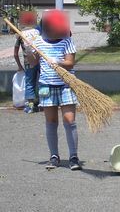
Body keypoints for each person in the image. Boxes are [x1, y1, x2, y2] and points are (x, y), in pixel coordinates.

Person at [25, 10, 81, 170]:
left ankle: (73, 157)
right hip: (45, 86)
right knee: (50, 121)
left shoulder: (67, 41)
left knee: (70, 121)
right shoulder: (38, 41)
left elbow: (70, 63)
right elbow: (33, 63)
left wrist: (58, 61)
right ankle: (54, 156)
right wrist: (30, 49)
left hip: (66, 85)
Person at [14, 11, 40, 113]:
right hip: (41, 60)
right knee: (43, 82)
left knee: (29, 83)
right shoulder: (39, 32)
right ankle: (45, 102)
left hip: (28, 62)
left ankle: (31, 106)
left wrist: (19, 66)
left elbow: (15, 53)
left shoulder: (20, 35)